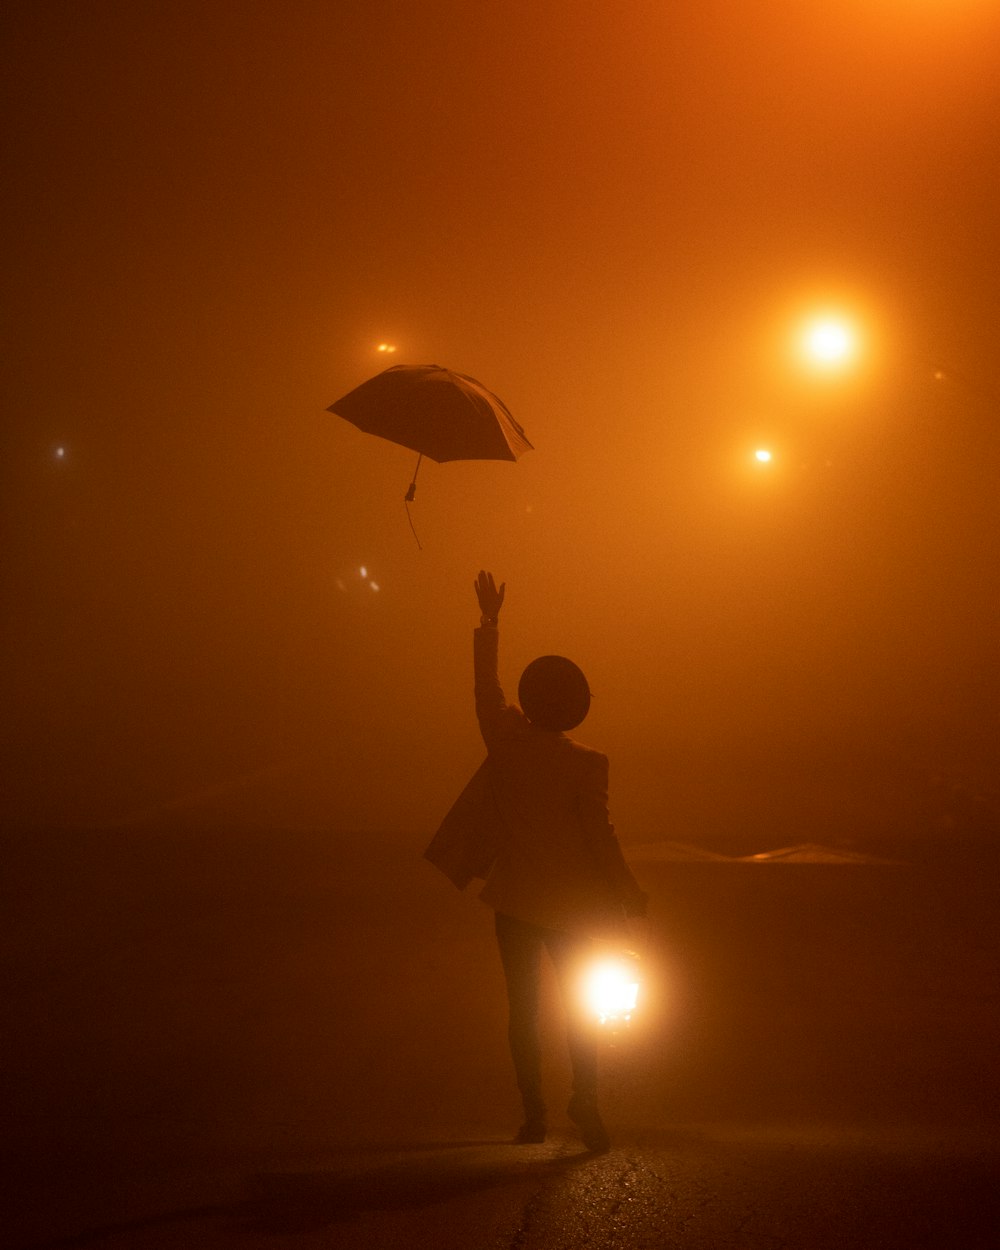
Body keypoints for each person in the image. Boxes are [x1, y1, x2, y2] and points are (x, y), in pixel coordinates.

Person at [425, 571, 647, 1151]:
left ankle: (533, 1114)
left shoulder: (506, 741)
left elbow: (485, 689)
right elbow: (601, 837)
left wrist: (490, 622)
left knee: (522, 1011)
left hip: (515, 901)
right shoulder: (589, 763)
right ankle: (587, 1105)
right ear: (575, 707)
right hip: (571, 907)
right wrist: (628, 889)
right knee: (580, 1008)